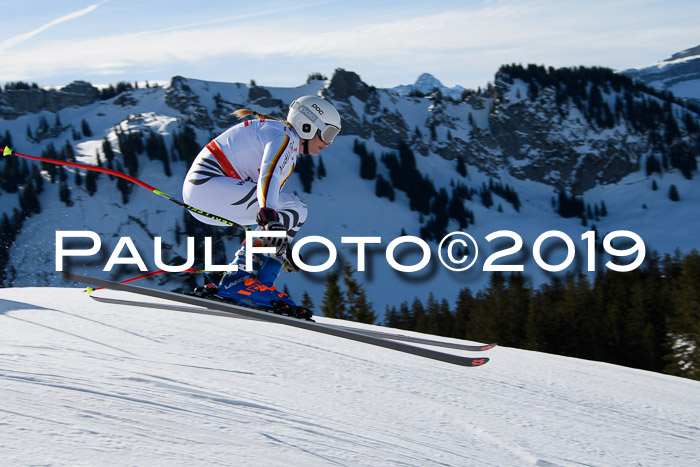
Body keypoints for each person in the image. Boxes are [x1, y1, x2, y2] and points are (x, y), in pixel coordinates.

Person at [182, 95, 341, 313]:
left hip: (210, 191)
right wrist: (268, 218)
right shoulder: (283, 137)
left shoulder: (284, 138)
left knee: (294, 209)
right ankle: (239, 278)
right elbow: (270, 175)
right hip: (207, 185)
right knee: (294, 207)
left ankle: (260, 284)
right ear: (307, 126)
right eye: (328, 133)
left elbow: (270, 197)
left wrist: (283, 247)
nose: (329, 142)